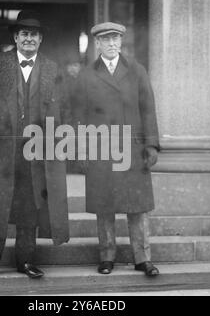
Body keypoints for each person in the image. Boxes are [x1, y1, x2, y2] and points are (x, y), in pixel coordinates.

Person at [0, 10, 70, 280]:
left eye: (33, 34)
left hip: (36, 149)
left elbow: (64, 109)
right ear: (15, 37)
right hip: (2, 148)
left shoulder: (52, 68)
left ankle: (25, 261)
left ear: (41, 39)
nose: (28, 39)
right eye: (24, 34)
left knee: (29, 207)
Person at [73, 22, 160, 277]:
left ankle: (143, 258)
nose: (112, 44)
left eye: (116, 39)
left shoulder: (137, 71)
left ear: (122, 42)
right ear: (97, 44)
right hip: (100, 148)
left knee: (138, 206)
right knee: (105, 205)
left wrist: (151, 144)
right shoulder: (86, 74)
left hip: (133, 149)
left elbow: (148, 109)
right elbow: (78, 114)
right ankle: (107, 256)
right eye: (106, 40)